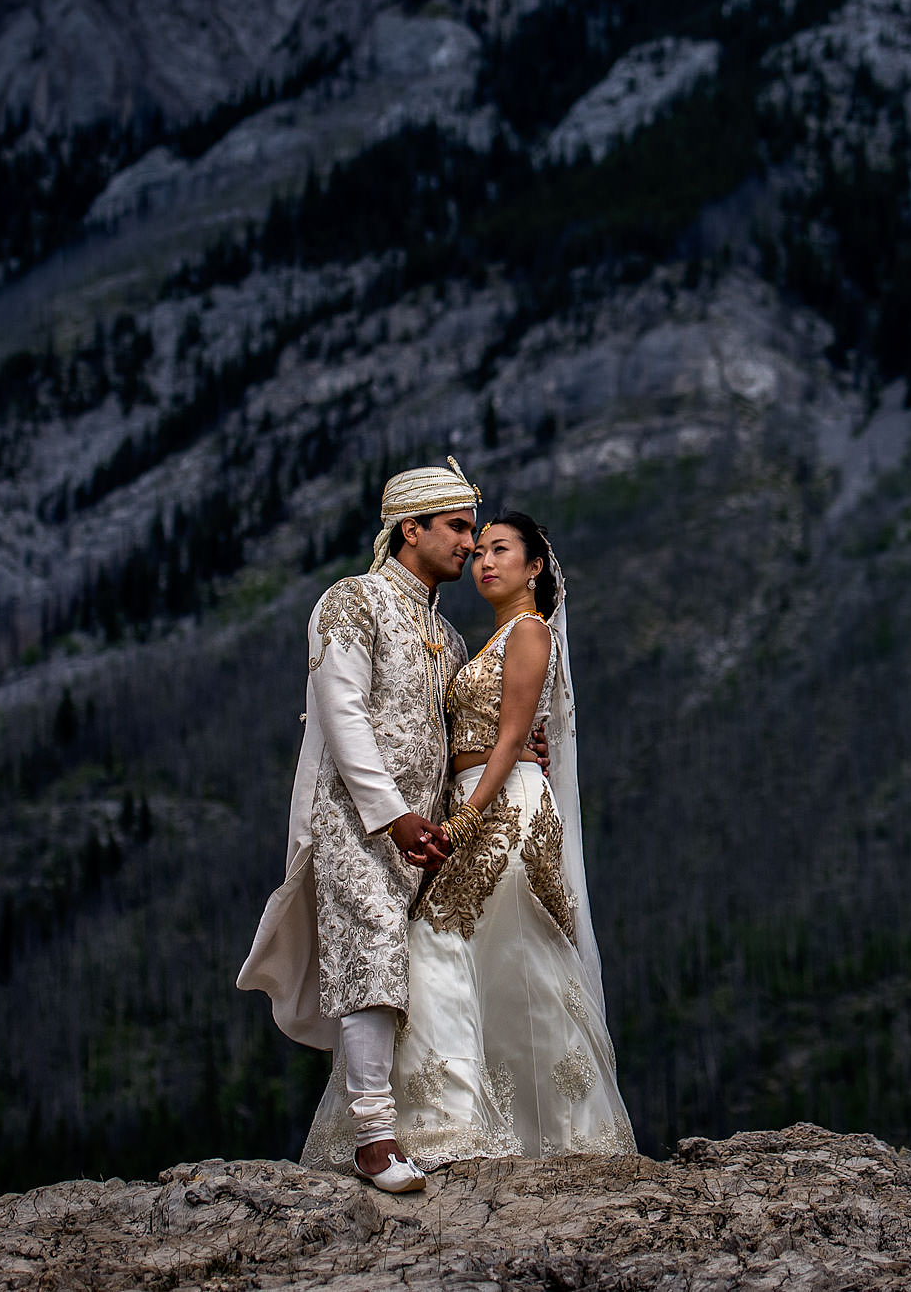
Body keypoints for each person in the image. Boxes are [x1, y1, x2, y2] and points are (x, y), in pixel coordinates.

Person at [297, 511, 634, 1172]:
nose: (482, 559)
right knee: (511, 961)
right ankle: (536, 1127)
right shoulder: (467, 640)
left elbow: (509, 740)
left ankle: (439, 1123)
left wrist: (463, 818)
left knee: (435, 948)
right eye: (476, 547)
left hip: (499, 816)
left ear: (536, 566)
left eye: (498, 548)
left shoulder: (528, 630)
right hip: (480, 807)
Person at [237, 460, 479, 1193]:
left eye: (473, 528)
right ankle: (374, 1139)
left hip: (422, 834)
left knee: (422, 970)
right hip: (354, 818)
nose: (470, 543)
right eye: (458, 527)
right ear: (411, 528)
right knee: (371, 948)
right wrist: (393, 816)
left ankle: (429, 1122)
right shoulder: (353, 601)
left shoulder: (450, 637)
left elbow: (450, 734)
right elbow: (342, 714)